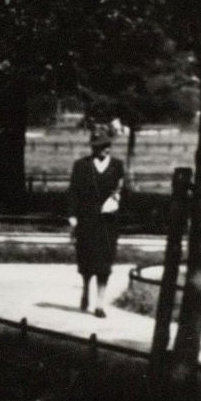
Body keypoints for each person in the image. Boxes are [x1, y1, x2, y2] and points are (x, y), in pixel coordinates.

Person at [67, 121, 128, 316]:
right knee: (86, 259)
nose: (106, 149)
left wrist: (118, 200)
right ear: (94, 147)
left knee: (105, 262)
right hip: (86, 220)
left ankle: (100, 303)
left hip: (108, 221)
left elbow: (123, 189)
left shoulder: (117, 166)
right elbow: (73, 192)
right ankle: (86, 289)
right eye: (102, 146)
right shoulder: (81, 166)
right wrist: (72, 216)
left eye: (108, 145)